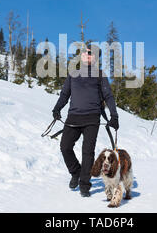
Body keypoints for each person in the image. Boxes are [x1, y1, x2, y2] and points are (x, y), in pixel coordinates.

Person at [52, 44, 119, 197]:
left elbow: (108, 96)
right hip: (73, 117)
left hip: (92, 118)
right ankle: (76, 172)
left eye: (91, 54)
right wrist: (57, 109)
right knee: (65, 147)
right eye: (85, 53)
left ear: (95, 58)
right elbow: (64, 95)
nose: (88, 55)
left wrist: (114, 116)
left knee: (87, 152)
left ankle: (84, 184)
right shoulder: (73, 74)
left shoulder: (100, 75)